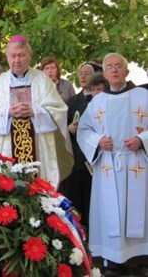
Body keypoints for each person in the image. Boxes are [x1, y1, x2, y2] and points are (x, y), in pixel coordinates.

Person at [77, 53, 148, 277]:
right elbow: (83, 130)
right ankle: (112, 261)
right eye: (110, 67)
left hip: (137, 163)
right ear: (105, 74)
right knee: (112, 212)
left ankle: (142, 258)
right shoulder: (97, 100)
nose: (114, 70)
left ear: (126, 72)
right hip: (108, 164)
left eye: (119, 66)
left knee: (137, 210)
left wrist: (142, 140)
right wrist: (99, 141)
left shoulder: (143, 96)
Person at [0, 36, 73, 187]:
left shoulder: (42, 80)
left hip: (38, 145)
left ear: (30, 55)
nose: (17, 60)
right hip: (8, 146)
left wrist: (35, 111)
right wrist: (6, 112)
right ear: (7, 57)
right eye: (13, 56)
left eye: (21, 55)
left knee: (39, 188)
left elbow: (59, 110)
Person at [59, 62, 103, 228]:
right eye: (81, 73)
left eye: (87, 73)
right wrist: (68, 128)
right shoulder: (73, 101)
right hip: (76, 157)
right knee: (75, 198)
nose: (83, 76)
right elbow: (64, 124)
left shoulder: (101, 98)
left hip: (94, 158)